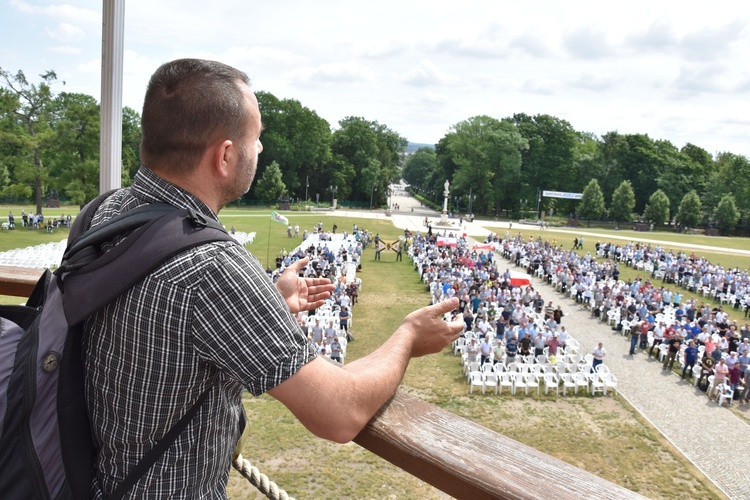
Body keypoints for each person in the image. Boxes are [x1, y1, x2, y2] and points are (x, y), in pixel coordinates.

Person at [82, 58, 464, 498]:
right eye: (256, 138)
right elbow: (339, 413)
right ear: (225, 156)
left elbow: (162, 334)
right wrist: (409, 336)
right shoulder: (213, 267)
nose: (260, 150)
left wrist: (266, 301)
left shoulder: (103, 212)